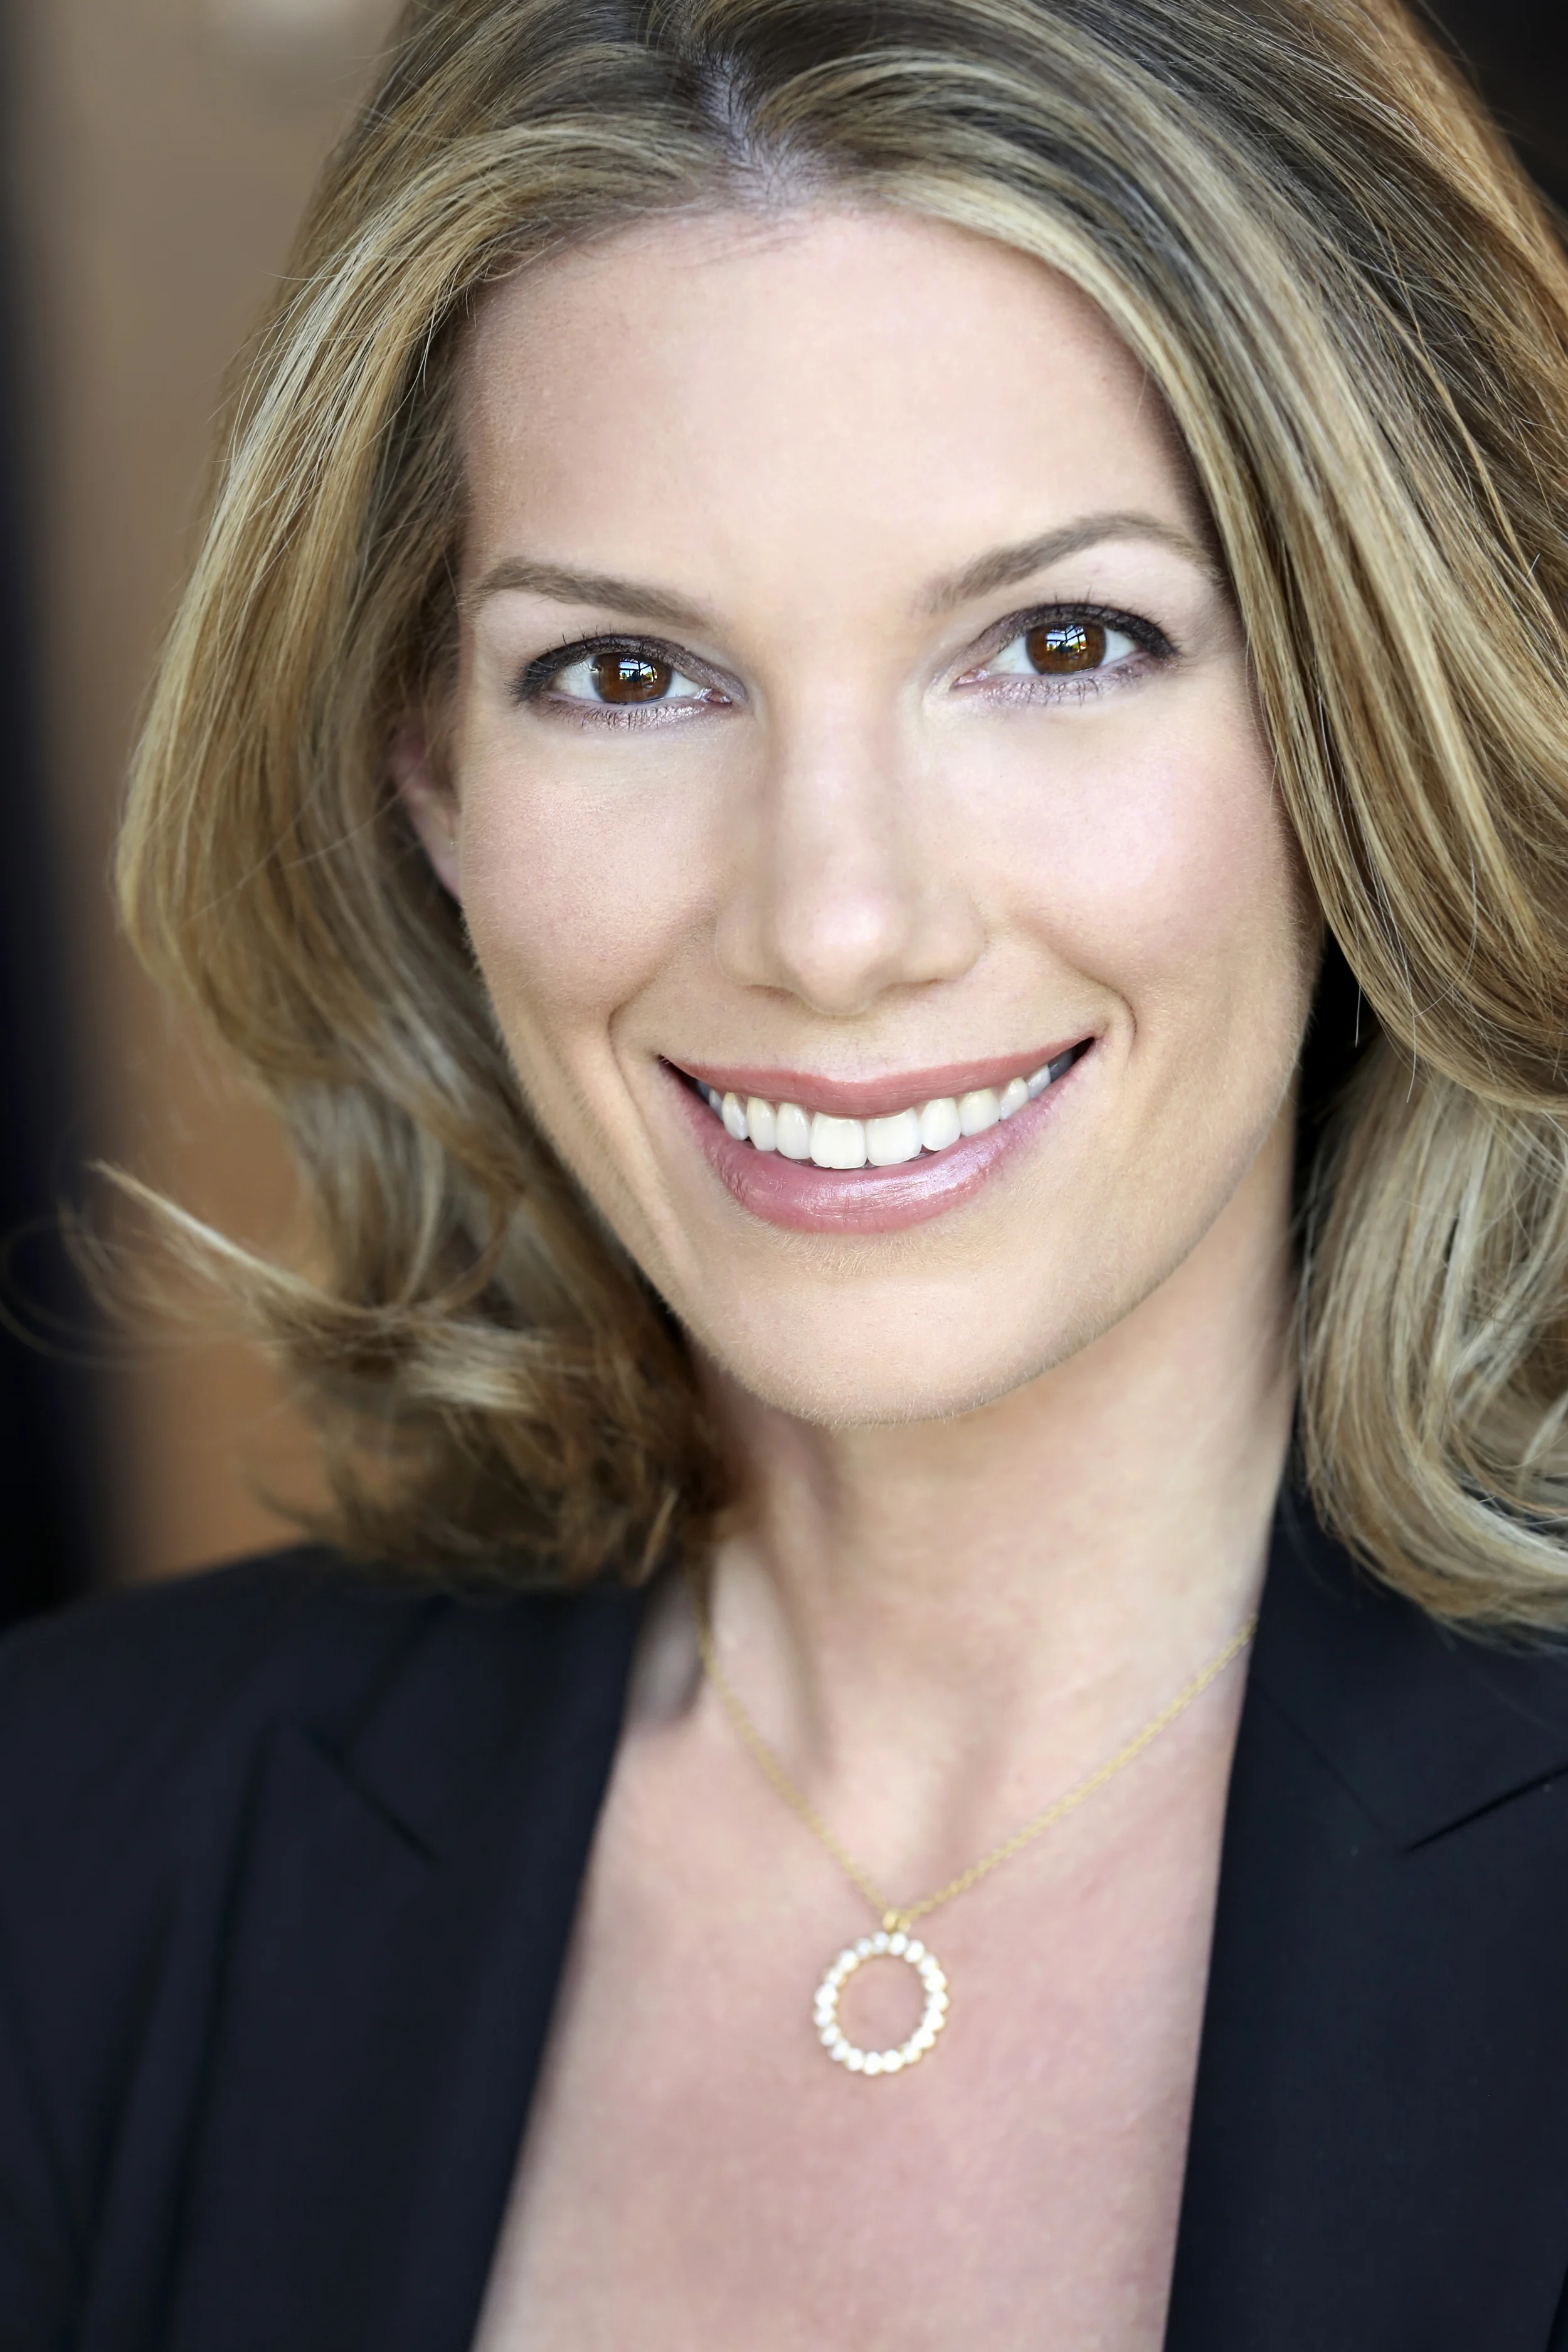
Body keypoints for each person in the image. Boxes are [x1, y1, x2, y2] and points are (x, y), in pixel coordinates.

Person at [7, 0, 1568, 2344]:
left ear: (1368, 712)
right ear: (422, 764)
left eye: (1059, 641)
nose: (833, 925)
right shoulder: (67, 1852)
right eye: (628, 677)